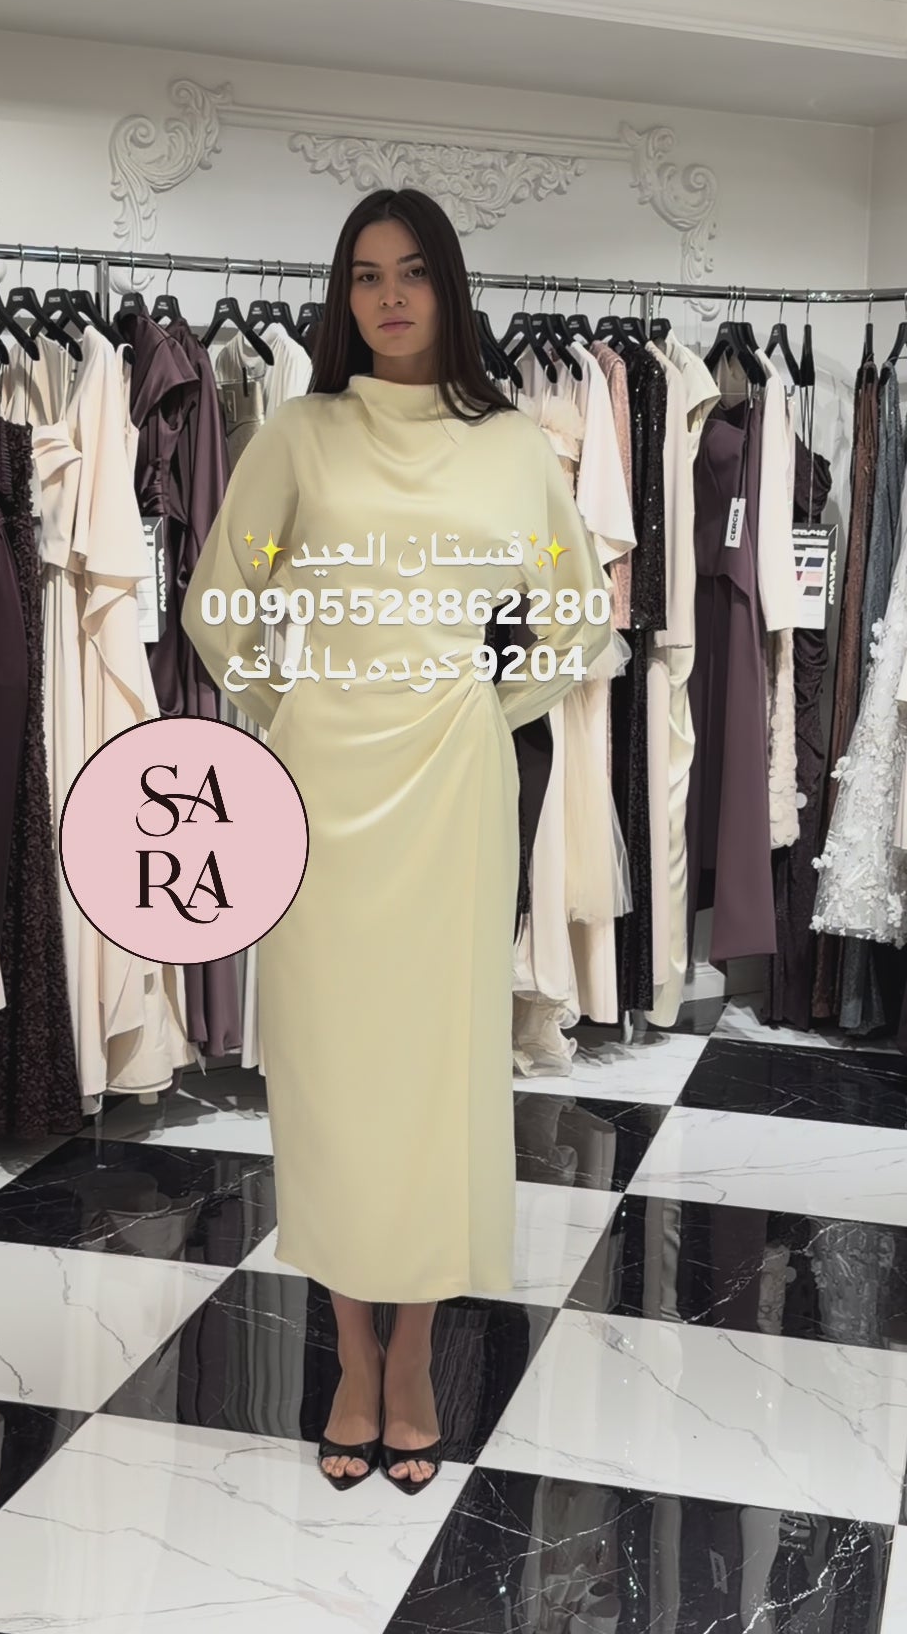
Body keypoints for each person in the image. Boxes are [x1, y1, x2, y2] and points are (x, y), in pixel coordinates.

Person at [183, 188, 612, 1493]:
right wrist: (291, 705)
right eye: (365, 274)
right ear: (344, 294)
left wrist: (487, 704)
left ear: (449, 288)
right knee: (329, 1074)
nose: (388, 295)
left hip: (453, 789)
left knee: (439, 1075)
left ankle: (411, 1356)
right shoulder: (300, 437)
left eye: (413, 271)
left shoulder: (512, 447)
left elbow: (579, 615)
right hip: (325, 788)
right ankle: (349, 1351)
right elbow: (219, 604)